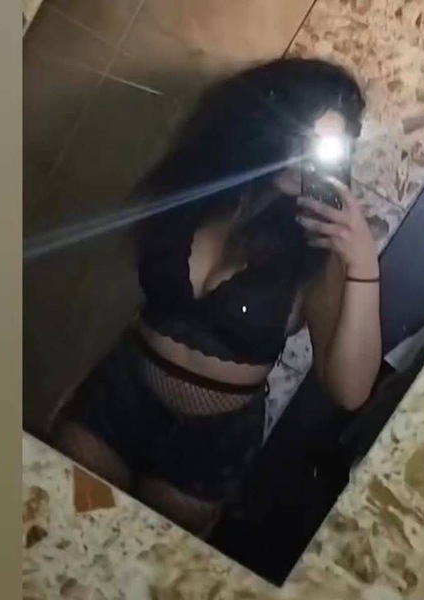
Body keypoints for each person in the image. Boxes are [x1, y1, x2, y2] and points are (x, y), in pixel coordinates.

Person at [52, 57, 382, 537]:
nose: (306, 160)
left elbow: (349, 390)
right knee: (62, 530)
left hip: (209, 443)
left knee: (136, 559)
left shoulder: (319, 245)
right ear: (267, 121)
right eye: (303, 138)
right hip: (120, 393)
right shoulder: (203, 184)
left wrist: (363, 262)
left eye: (327, 148)